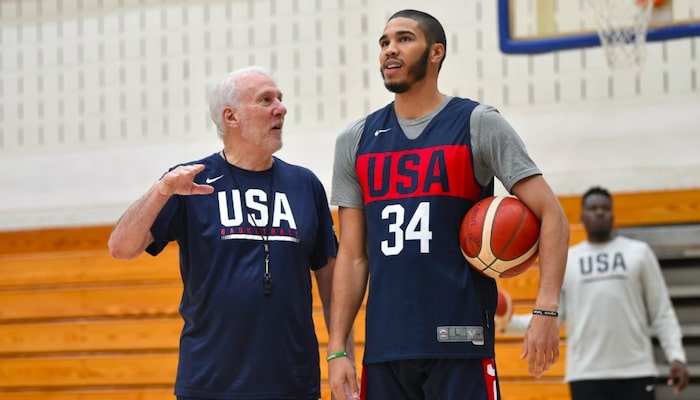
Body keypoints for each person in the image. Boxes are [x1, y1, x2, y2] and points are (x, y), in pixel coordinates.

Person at [326, 9, 570, 400]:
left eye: (404, 39)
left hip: (461, 341)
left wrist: (545, 308)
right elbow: (353, 256)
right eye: (384, 42)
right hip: (386, 348)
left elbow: (552, 215)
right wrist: (338, 348)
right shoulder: (355, 140)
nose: (390, 50)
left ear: (436, 52)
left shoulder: (477, 123)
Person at [108, 66, 343, 400]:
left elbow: (331, 280)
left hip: (293, 382)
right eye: (266, 100)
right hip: (209, 383)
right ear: (231, 117)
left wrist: (340, 353)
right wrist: (161, 191)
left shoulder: (305, 185)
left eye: (280, 98)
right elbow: (121, 248)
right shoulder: (188, 182)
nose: (281, 108)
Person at [506, 186, 690, 400]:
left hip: (636, 370)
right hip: (586, 374)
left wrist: (676, 356)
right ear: (582, 216)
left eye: (605, 208)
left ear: (613, 214)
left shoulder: (639, 253)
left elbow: (662, 311)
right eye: (593, 208)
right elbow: (551, 317)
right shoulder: (568, 259)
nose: (600, 212)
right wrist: (506, 322)